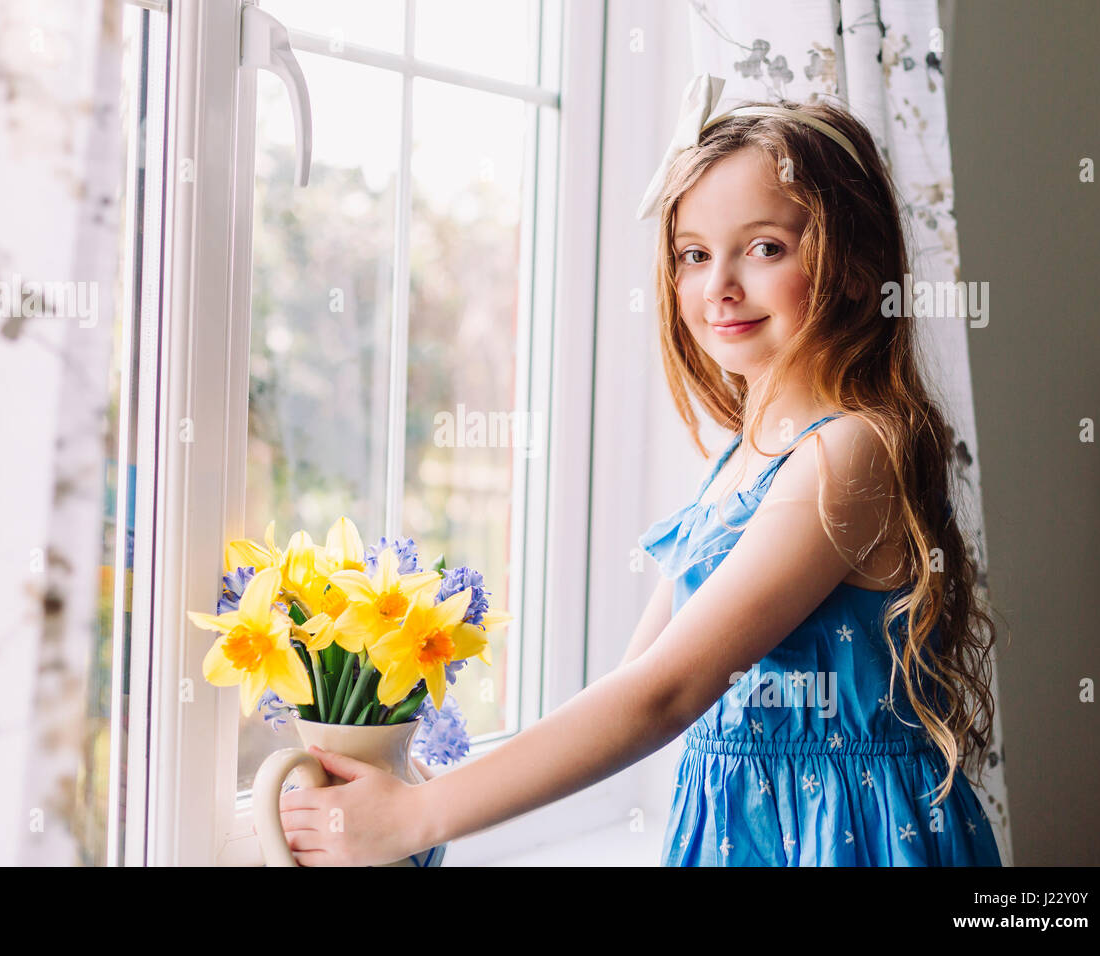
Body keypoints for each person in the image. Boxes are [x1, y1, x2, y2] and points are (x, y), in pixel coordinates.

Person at [278, 73, 1004, 866]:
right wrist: (433, 799)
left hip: (845, 841)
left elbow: (666, 695)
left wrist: (417, 820)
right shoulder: (742, 463)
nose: (718, 285)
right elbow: (630, 690)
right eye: (693, 254)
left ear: (858, 269)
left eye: (765, 247)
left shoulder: (847, 451)